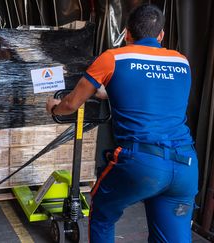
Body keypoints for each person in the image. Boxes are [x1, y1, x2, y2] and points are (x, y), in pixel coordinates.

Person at [46, 4, 198, 243]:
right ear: (161, 35)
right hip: (185, 166)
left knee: (103, 214)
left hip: (142, 163)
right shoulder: (182, 62)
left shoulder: (112, 58)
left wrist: (54, 107)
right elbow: (154, 95)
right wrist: (111, 93)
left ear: (126, 33)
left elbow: (71, 104)